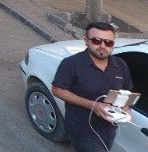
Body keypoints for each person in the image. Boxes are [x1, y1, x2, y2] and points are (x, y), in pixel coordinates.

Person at [51, 22, 134, 151]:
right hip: (83, 129)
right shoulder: (71, 64)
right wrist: (93, 105)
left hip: (109, 128)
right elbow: (57, 90)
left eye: (108, 42)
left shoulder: (120, 65)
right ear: (86, 41)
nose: (102, 46)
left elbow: (125, 91)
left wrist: (126, 109)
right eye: (96, 40)